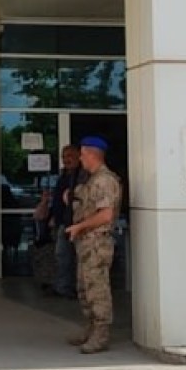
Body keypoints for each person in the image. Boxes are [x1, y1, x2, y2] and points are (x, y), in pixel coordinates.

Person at [64, 136, 123, 354]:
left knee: (97, 290)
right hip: (87, 243)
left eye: (82, 154)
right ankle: (90, 328)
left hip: (97, 243)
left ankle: (101, 334)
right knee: (85, 288)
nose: (80, 159)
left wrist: (80, 226)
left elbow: (106, 214)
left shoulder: (105, 180)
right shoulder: (92, 180)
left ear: (91, 154)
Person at [46, 145, 82, 298]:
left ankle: (73, 288)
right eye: (64, 156)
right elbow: (59, 200)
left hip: (77, 222)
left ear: (79, 157)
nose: (66, 159)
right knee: (62, 256)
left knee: (73, 257)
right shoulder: (64, 176)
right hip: (63, 222)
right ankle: (62, 286)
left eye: (70, 156)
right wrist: (54, 216)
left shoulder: (82, 176)